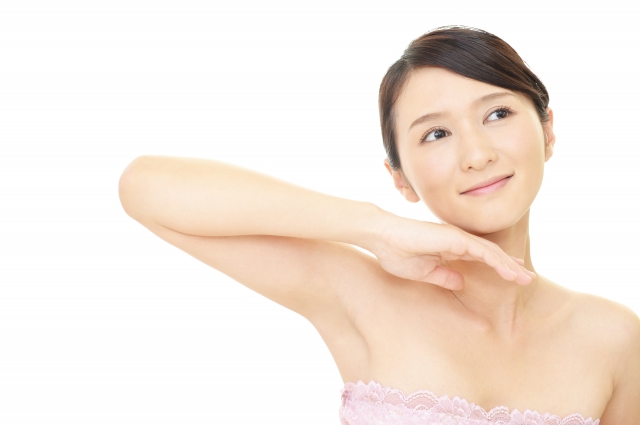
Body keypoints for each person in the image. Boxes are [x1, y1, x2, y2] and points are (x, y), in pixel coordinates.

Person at [117, 26, 640, 424]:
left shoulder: (614, 338)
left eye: (497, 114)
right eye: (436, 134)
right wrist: (376, 228)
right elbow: (145, 187)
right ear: (400, 178)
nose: (477, 154)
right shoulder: (359, 293)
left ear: (548, 130)